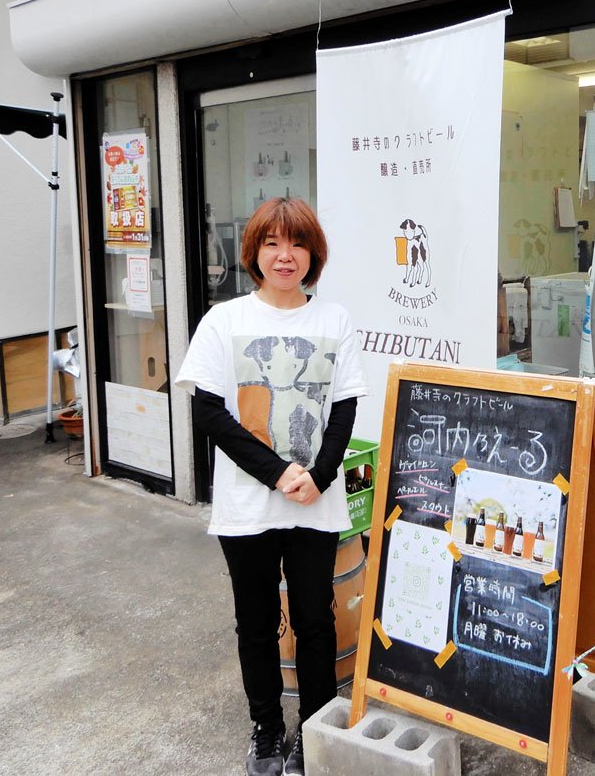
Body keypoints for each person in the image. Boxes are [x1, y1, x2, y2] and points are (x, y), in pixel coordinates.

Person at [175, 196, 368, 776]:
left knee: (315, 618)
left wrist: (321, 475)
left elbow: (344, 407)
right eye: (272, 244)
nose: (286, 256)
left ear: (314, 253)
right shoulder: (224, 320)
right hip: (247, 507)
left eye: (298, 244)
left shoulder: (334, 320)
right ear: (255, 253)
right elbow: (210, 412)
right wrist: (279, 473)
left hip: (315, 504)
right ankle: (266, 731)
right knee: (255, 621)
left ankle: (313, 728)